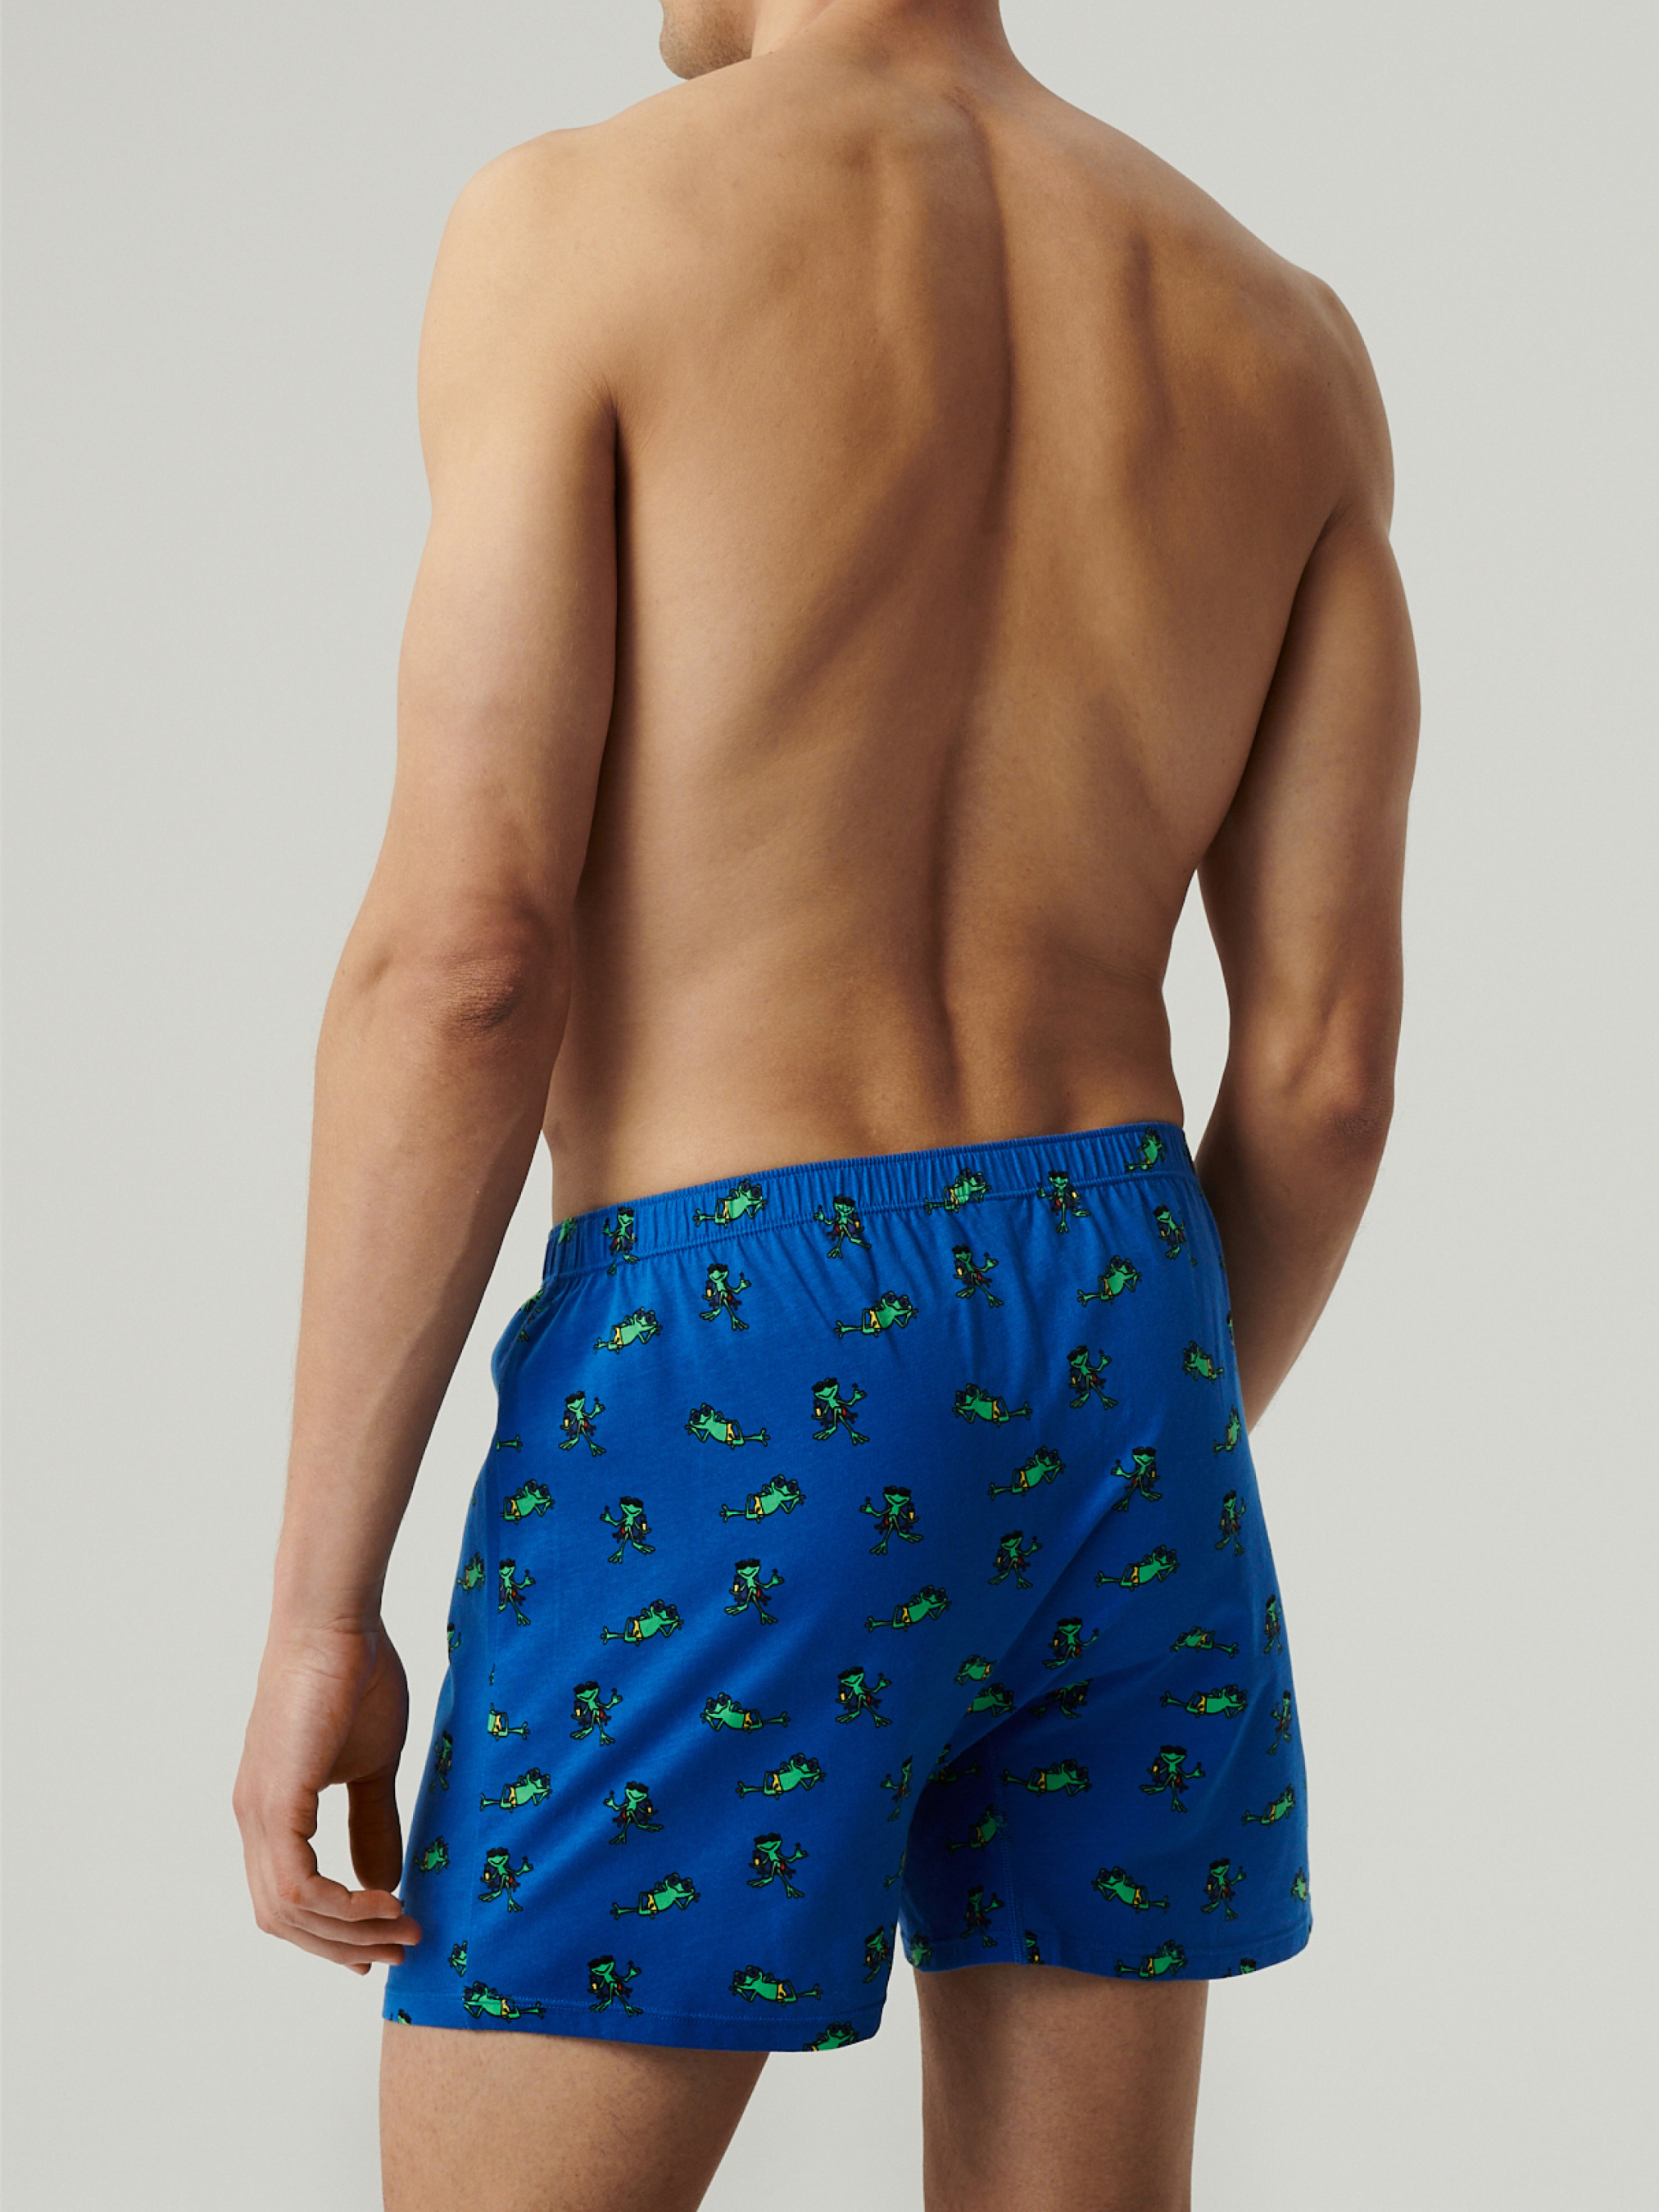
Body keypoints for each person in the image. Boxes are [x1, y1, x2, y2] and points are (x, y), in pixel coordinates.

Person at [233, 1, 1417, 2204]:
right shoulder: (1278, 331)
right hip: (1135, 1358)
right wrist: (1065, 1470)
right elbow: (1325, 1074)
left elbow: (468, 959)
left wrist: (320, 1605)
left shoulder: (579, 224)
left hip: (739, 1352)